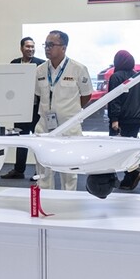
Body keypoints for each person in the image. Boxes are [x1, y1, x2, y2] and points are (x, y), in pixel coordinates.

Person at [34, 30, 92, 191]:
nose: (47, 48)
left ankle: (69, 200)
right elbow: (38, 94)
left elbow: (86, 95)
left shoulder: (78, 69)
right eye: (46, 45)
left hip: (69, 127)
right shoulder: (40, 70)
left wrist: (70, 112)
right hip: (45, 126)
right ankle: (46, 199)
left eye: (51, 45)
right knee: (43, 171)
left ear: (64, 48)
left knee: (69, 173)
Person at [1, 37, 44, 180]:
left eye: (32, 46)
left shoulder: (41, 64)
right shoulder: (14, 64)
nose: (30, 49)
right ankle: (19, 170)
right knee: (20, 140)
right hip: (20, 109)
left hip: (37, 109)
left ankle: (39, 172)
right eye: (27, 46)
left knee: (38, 141)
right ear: (21, 48)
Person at [106, 50, 140, 191]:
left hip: (122, 120)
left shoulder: (116, 77)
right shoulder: (138, 76)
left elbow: (114, 99)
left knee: (113, 150)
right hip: (135, 119)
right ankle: (129, 177)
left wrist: (114, 119)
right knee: (129, 150)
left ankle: (125, 175)